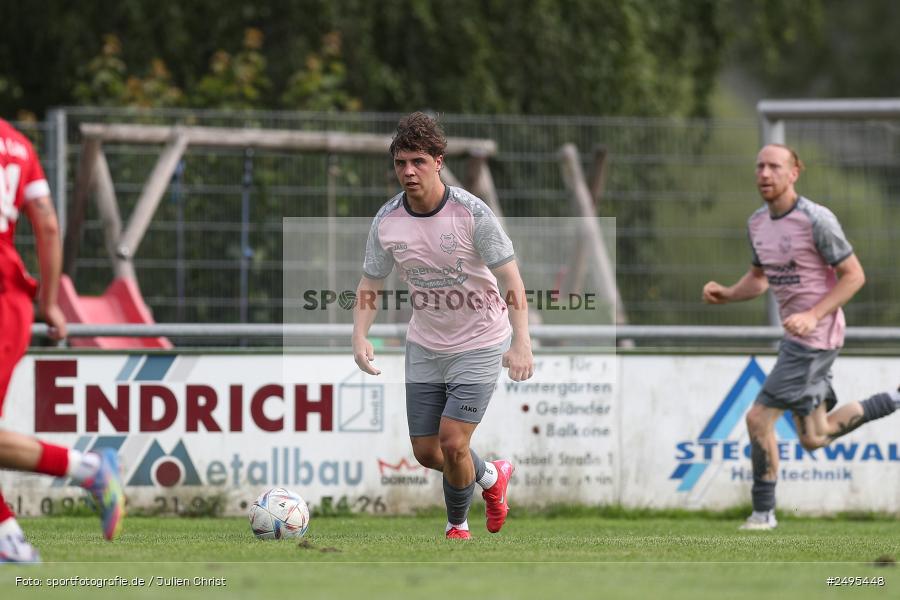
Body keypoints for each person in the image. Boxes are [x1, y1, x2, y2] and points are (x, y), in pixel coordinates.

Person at [353, 112, 534, 540]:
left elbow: (511, 278)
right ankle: (492, 476)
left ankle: (458, 527)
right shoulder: (388, 220)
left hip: (480, 341)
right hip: (425, 345)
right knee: (427, 451)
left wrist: (521, 341)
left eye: (417, 161)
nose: (408, 171)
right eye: (401, 163)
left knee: (453, 441)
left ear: (438, 161)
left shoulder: (471, 213)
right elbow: (370, 282)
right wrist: (359, 335)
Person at [702, 143, 900, 530]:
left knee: (759, 418)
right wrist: (728, 293)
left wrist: (812, 314)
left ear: (794, 172)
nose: (764, 173)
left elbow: (855, 276)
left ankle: (762, 513)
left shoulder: (816, 220)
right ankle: (894, 398)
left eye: (774, 166)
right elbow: (759, 279)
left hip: (814, 338)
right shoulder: (757, 223)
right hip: (802, 338)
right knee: (814, 435)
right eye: (759, 166)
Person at [0, 118, 126, 563]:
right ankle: (86, 470)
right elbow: (48, 225)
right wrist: (49, 301)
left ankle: (11, 537)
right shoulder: (17, 144)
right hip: (12, 301)